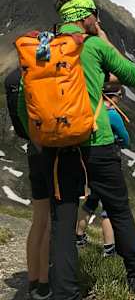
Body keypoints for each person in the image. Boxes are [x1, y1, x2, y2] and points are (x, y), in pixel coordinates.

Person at [17, 0, 135, 299]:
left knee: (62, 221)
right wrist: (102, 35)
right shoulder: (95, 45)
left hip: (59, 149)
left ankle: (64, 293)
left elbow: (24, 103)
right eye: (95, 16)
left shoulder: (43, 50)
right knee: (119, 210)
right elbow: (130, 76)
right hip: (97, 142)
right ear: (86, 17)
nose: (97, 20)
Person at [4, 69, 52, 299]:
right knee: (53, 220)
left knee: (38, 219)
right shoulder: (46, 73)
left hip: (33, 150)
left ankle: (33, 281)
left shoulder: (14, 79)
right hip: (54, 150)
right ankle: (45, 284)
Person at [76, 82, 129, 258]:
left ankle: (79, 237)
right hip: (107, 162)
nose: (120, 100)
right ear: (113, 96)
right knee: (108, 206)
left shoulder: (91, 109)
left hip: (89, 160)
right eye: (119, 96)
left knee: (91, 201)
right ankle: (109, 249)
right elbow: (126, 139)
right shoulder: (112, 115)